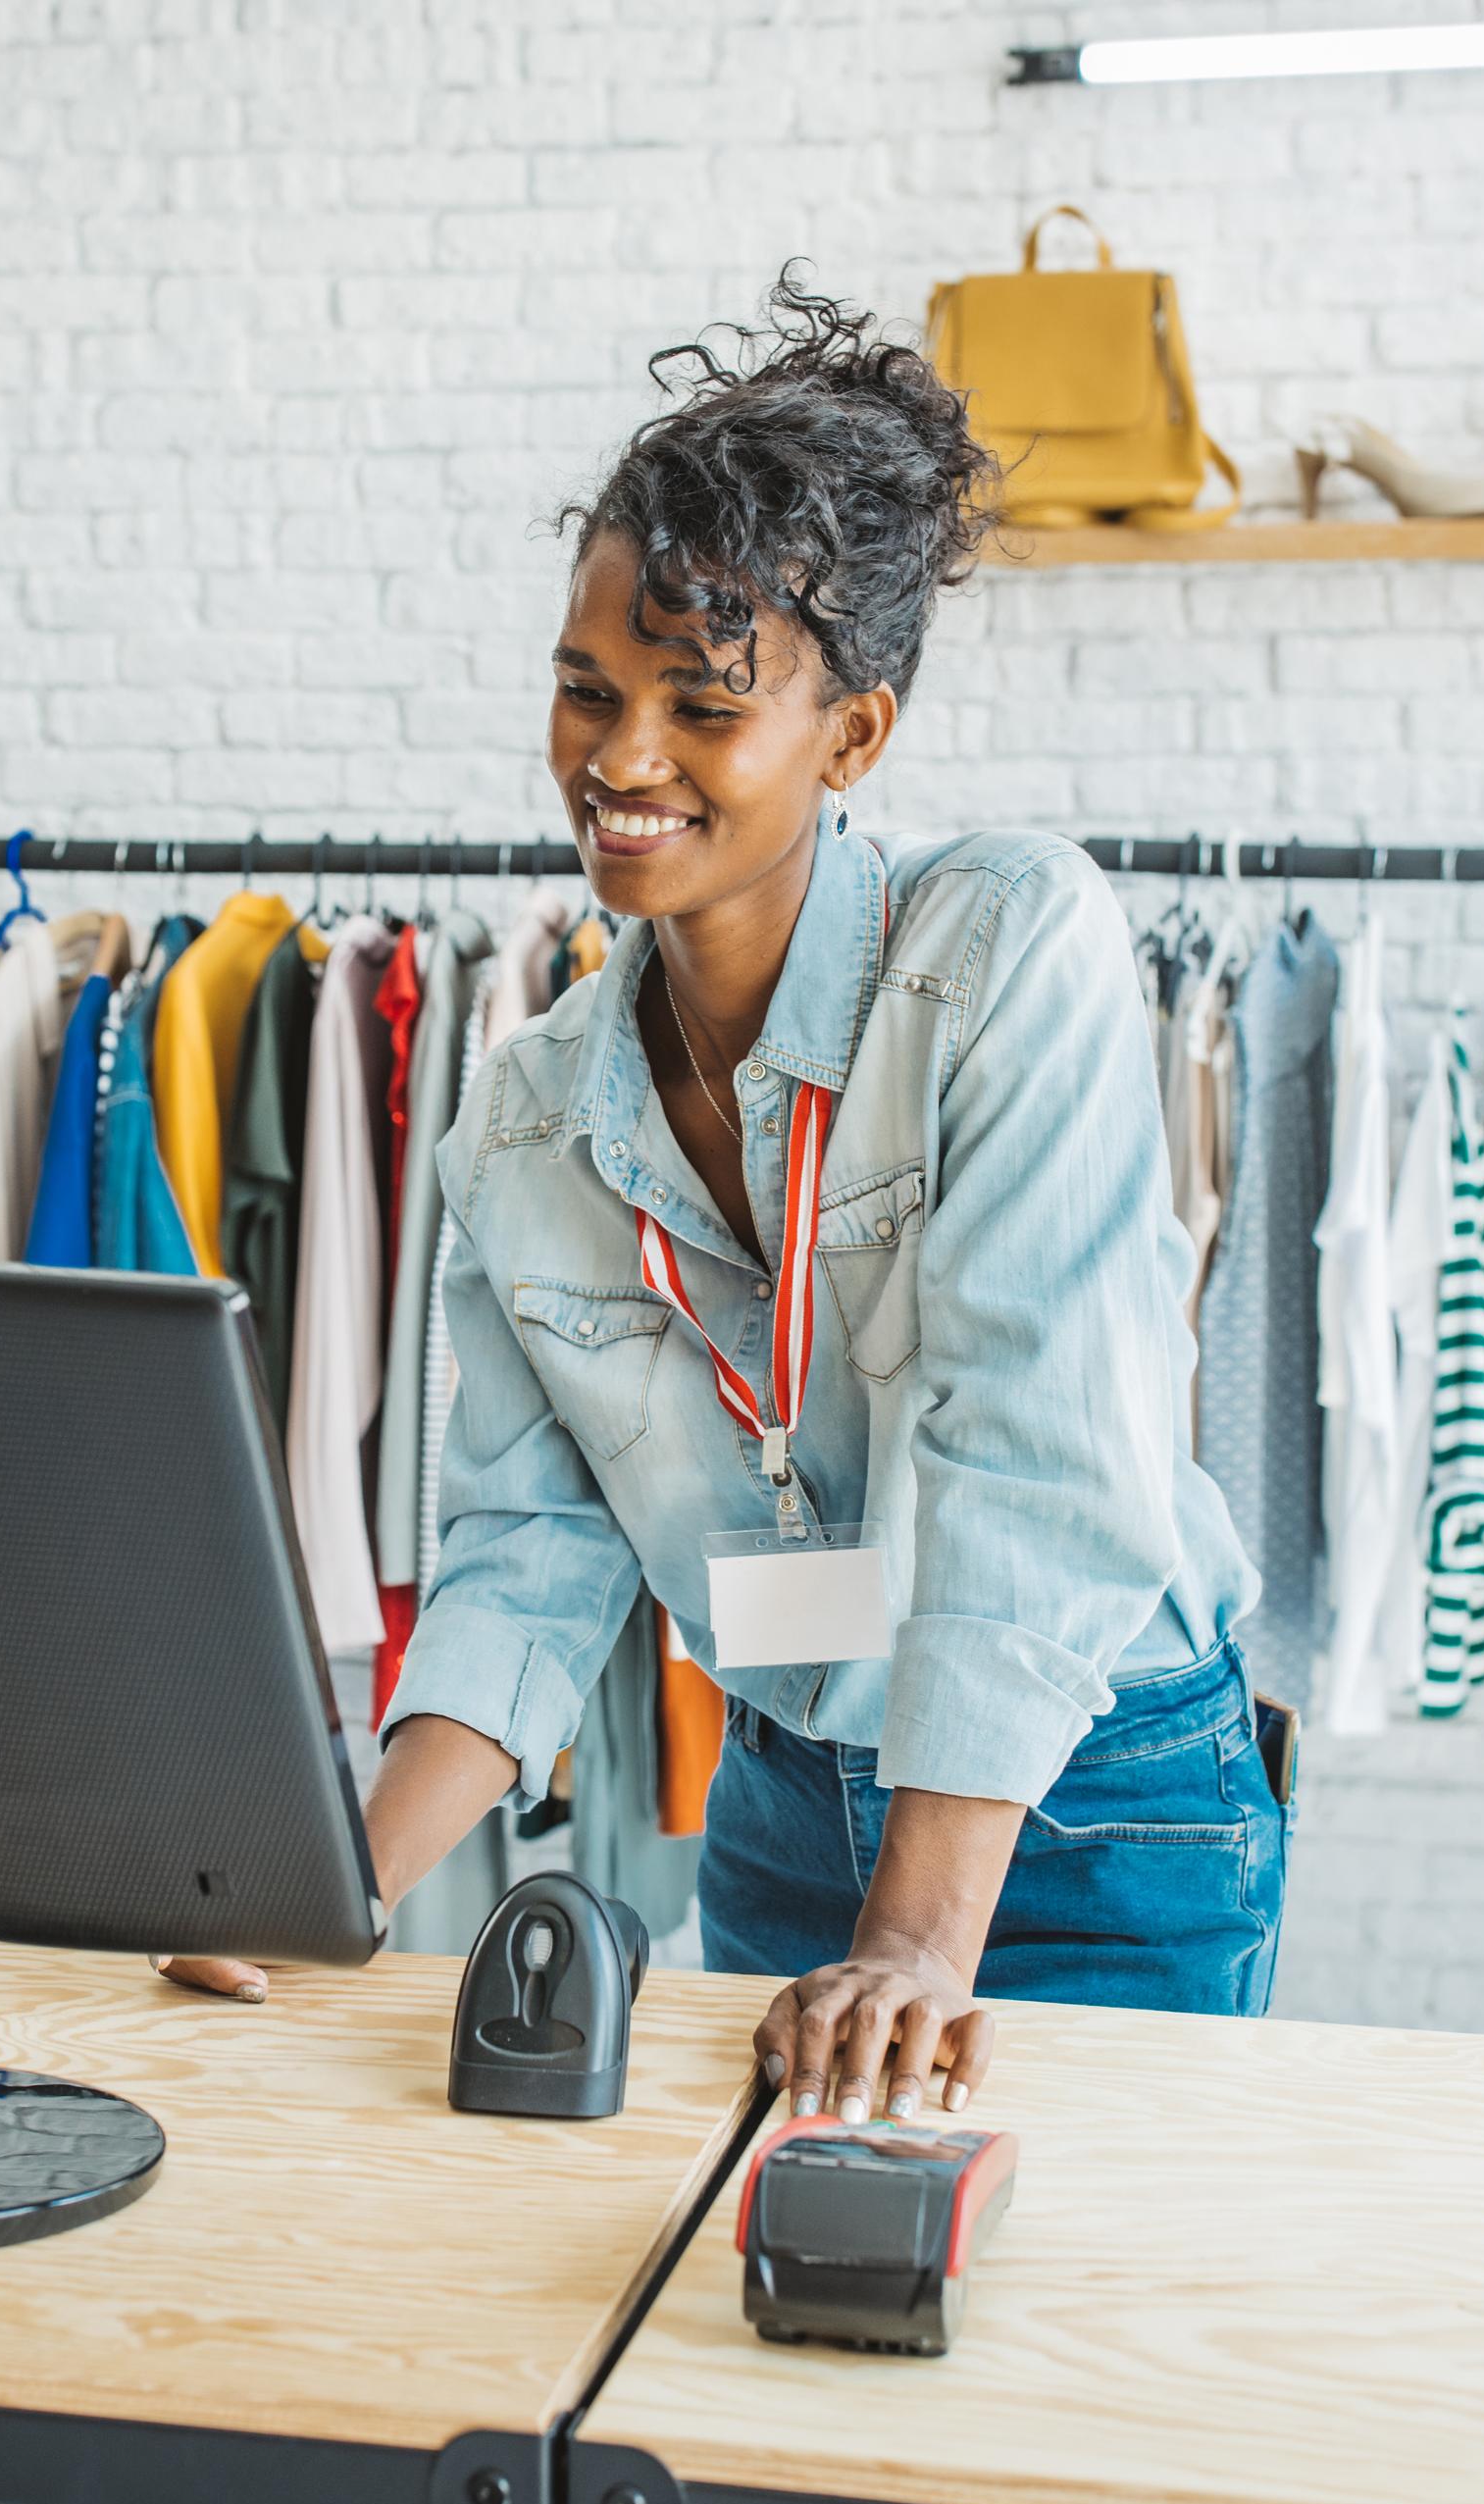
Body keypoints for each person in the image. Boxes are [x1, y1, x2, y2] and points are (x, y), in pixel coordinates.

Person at [170, 276, 1284, 2127]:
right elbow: (526, 1555)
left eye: (702, 704)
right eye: (586, 691)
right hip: (782, 1785)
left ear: (854, 737)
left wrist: (922, 1940)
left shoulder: (1005, 949)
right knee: (758, 2320)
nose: (619, 759)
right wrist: (338, 1895)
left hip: (1095, 1798)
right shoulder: (523, 1118)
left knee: (1056, 2326)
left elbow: (1043, 1459)